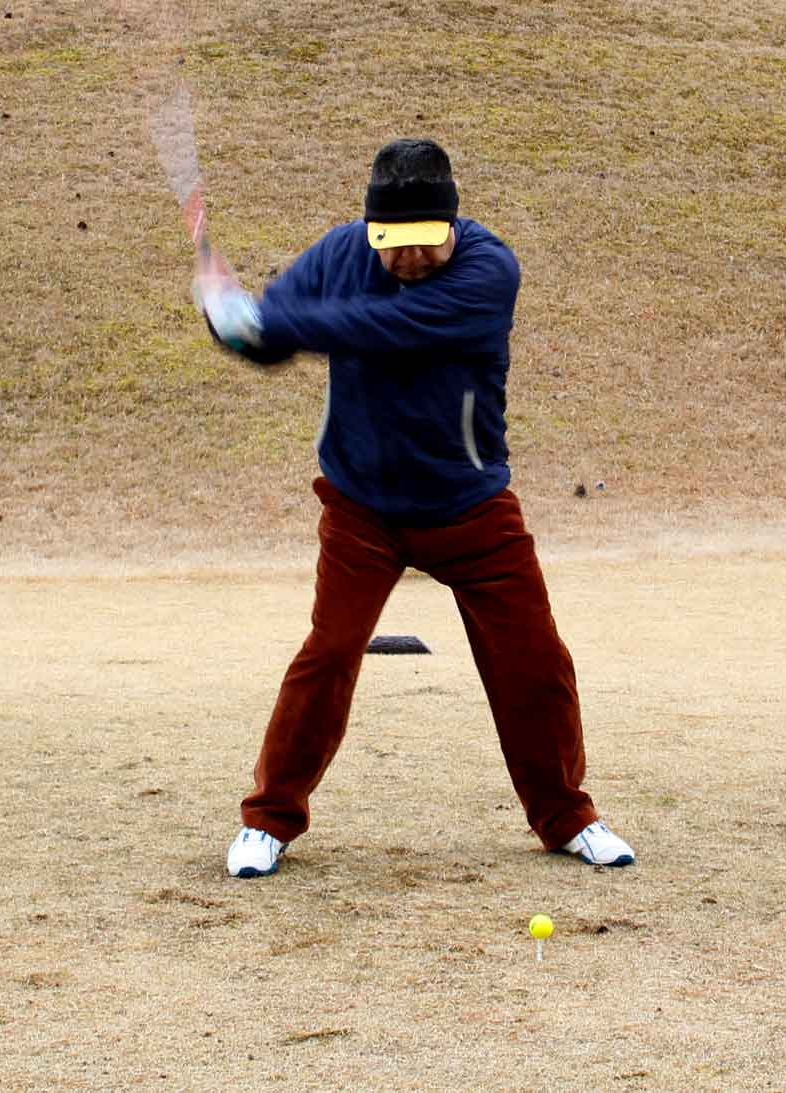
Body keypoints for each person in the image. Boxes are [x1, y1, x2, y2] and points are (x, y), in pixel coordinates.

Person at [196, 138, 635, 879]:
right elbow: (274, 334)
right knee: (329, 654)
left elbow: (383, 329)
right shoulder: (340, 253)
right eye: (390, 245)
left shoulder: (489, 272)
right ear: (371, 231)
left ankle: (566, 816)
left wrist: (276, 322)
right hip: (362, 504)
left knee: (534, 660)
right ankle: (268, 820)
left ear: (451, 227)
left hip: (470, 505)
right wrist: (232, 320)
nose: (406, 260)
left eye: (422, 244)